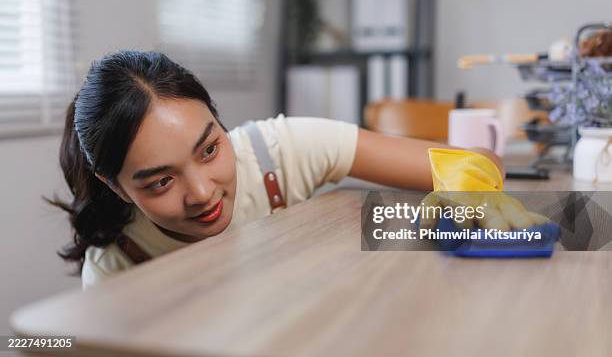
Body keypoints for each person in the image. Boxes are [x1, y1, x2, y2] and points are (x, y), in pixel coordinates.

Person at [46, 50, 503, 289]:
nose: (202, 193)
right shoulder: (115, 264)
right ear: (117, 187)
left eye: (209, 150)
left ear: (222, 125)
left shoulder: (277, 152)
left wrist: (462, 198)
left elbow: (474, 163)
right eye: (162, 180)